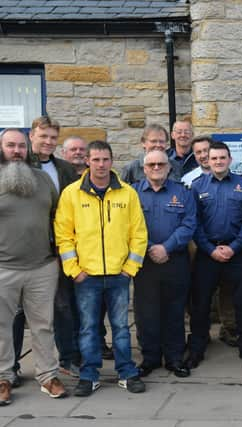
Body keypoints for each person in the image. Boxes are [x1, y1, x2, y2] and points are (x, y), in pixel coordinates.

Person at [54, 140, 147, 397]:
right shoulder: (72, 194)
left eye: (105, 159)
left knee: (121, 327)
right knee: (88, 329)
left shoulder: (127, 193)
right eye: (95, 159)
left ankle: (127, 372)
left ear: (112, 160)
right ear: (87, 161)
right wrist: (74, 269)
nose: (101, 164)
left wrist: (130, 268)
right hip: (86, 276)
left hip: (119, 274)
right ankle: (89, 375)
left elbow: (138, 234)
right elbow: (64, 235)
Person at [0, 128, 68, 405]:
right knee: (1, 326)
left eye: (20, 146)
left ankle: (48, 376)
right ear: (1, 148)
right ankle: (3, 378)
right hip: (3, 267)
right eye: (10, 145)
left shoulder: (42, 180)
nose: (16, 151)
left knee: (43, 325)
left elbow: (57, 218)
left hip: (42, 267)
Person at [187, 141, 242, 369]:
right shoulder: (198, 187)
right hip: (207, 254)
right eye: (214, 158)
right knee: (201, 305)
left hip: (236, 252)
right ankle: (197, 349)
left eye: (222, 158)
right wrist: (210, 249)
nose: (218, 162)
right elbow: (194, 223)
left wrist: (234, 247)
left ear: (230, 160)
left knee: (241, 302)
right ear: (207, 161)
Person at [28, 117, 84, 379]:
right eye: (44, 136)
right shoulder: (17, 164)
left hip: (59, 246)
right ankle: (12, 367)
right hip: (26, 248)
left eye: (53, 137)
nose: (48, 141)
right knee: (19, 312)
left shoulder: (64, 168)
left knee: (64, 305)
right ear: (32, 136)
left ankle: (68, 358)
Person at [132, 150, 196, 378]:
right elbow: (128, 227)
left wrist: (166, 247)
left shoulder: (183, 193)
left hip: (175, 261)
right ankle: (149, 358)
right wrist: (151, 247)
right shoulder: (132, 193)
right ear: (144, 168)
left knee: (175, 311)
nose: (156, 168)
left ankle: (174, 358)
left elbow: (189, 224)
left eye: (161, 164)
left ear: (169, 167)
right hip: (144, 262)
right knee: (146, 312)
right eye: (151, 165)